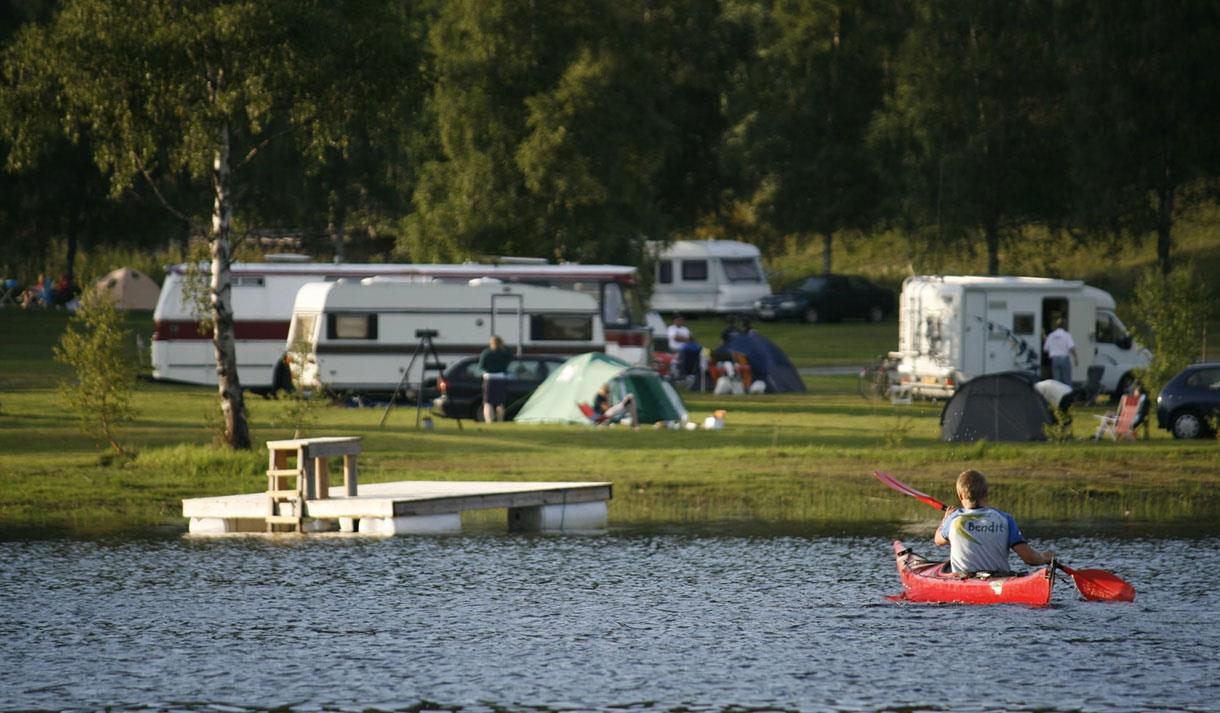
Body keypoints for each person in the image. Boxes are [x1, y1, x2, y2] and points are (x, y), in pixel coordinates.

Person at [934, 469, 1054, 575]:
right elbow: (1030, 559)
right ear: (986, 494)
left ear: (961, 496)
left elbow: (938, 540)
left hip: (964, 580)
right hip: (999, 579)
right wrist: (1045, 557)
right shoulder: (1005, 519)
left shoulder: (953, 519)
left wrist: (945, 519)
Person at [477, 335, 513, 422]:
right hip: (501, 377)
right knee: (500, 402)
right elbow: (510, 358)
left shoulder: (486, 352)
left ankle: (489, 420)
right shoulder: (504, 352)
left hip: (489, 378)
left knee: (488, 402)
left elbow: (481, 366)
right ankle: (500, 420)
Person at [1043, 318, 1077, 386]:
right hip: (1064, 359)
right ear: (1064, 326)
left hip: (1055, 360)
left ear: (1056, 326)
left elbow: (1045, 349)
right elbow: (1071, 347)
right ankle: (1067, 392)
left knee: (1057, 382)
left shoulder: (1051, 335)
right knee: (1066, 380)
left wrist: (1052, 350)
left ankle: (1058, 392)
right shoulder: (1066, 335)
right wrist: (1075, 358)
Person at [666, 314, 701, 379]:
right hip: (675, 349)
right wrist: (687, 338)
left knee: (698, 352)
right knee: (683, 356)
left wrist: (684, 338)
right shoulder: (671, 328)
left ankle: (693, 373)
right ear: (674, 321)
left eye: (681, 320)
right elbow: (676, 338)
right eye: (678, 320)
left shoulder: (685, 329)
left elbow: (692, 338)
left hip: (687, 348)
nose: (680, 321)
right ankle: (682, 374)